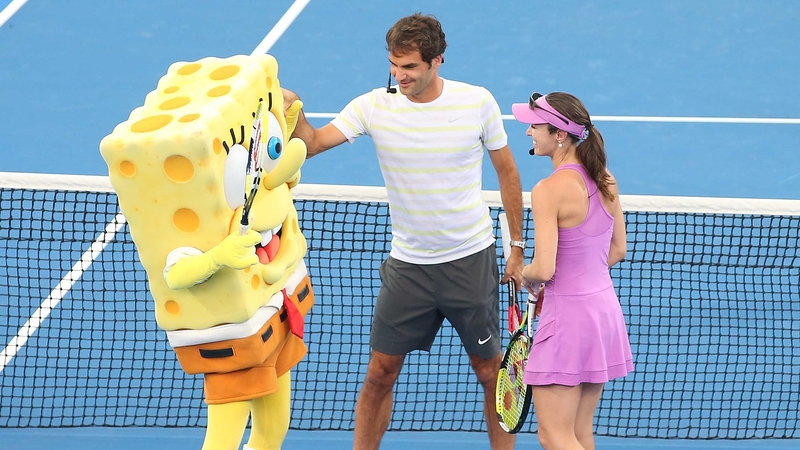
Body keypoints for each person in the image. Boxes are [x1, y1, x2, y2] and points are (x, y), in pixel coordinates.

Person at [282, 12, 524, 450]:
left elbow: (508, 174)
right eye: (394, 64)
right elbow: (313, 144)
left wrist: (518, 247)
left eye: (409, 66)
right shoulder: (374, 105)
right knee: (379, 372)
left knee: (490, 372)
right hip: (408, 267)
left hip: (470, 260)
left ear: (437, 61)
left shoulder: (477, 102)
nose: (400, 75)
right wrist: (293, 105)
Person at [512, 92, 634, 450]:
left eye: (534, 125)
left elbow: (545, 267)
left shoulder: (548, 190)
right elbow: (617, 250)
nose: (529, 132)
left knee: (555, 436)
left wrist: (524, 274)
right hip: (602, 314)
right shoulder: (606, 179)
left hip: (566, 321)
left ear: (559, 134)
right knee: (580, 434)